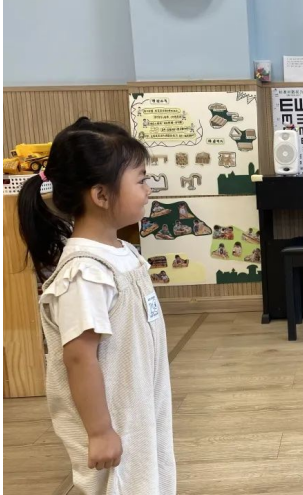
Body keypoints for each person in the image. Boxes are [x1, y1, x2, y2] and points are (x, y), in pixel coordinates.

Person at [17, 117, 176, 494]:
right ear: (101, 195)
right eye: (141, 179)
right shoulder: (85, 273)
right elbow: (79, 357)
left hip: (140, 408)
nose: (148, 188)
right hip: (115, 420)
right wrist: (100, 431)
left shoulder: (122, 253)